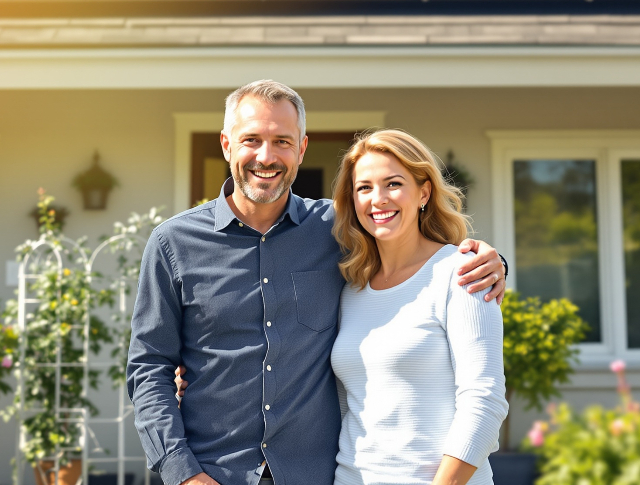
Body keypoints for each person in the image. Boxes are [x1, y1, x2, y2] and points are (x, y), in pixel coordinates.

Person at [127, 80, 507, 485]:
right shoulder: (173, 244)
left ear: (302, 149)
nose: (266, 156)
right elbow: (149, 367)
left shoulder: (337, 229)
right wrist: (182, 472)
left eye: (282, 141)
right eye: (251, 140)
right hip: (213, 472)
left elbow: (409, 249)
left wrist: (491, 262)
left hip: (315, 474)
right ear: (226, 145)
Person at [331, 129, 507, 485]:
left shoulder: (461, 273)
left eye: (393, 184)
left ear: (424, 192)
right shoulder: (351, 289)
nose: (378, 199)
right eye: (364, 188)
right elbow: (350, 406)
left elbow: (485, 401)